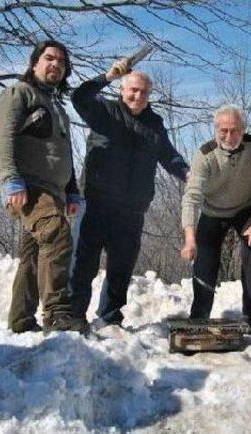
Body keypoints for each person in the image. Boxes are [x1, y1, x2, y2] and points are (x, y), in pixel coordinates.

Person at [70, 58, 189, 329]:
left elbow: (168, 155)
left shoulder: (154, 124)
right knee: (83, 262)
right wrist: (108, 76)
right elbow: (79, 97)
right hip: (96, 203)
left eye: (144, 92)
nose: (138, 96)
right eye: (133, 90)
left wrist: (188, 174)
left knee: (120, 268)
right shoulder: (104, 111)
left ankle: (110, 317)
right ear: (123, 90)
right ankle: (74, 316)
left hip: (132, 209)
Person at [0, 40, 82, 333]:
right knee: (56, 234)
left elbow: (64, 153)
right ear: (35, 64)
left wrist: (71, 190)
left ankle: (21, 320)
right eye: (49, 58)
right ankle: (57, 313)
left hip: (54, 191)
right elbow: (3, 138)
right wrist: (10, 179)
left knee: (33, 256)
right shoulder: (18, 93)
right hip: (28, 187)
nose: (56, 64)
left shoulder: (57, 107)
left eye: (61, 62)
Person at [180, 105, 251, 333]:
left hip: (246, 209)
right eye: (223, 130)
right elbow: (192, 197)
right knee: (205, 259)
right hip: (213, 211)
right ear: (215, 130)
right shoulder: (205, 154)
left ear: (243, 130)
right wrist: (190, 238)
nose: (229, 136)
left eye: (234, 130)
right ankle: (200, 315)